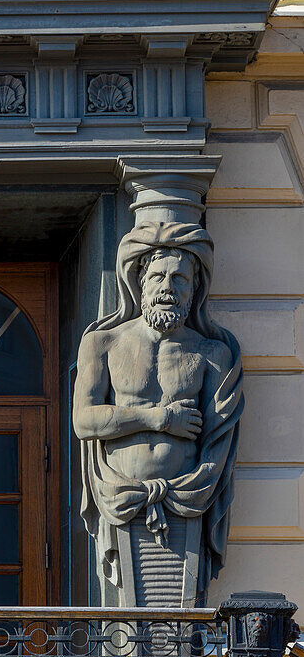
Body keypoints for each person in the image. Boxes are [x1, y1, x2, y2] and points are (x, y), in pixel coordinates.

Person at [72, 221, 243, 598]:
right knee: (136, 627)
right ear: (141, 282)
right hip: (119, 494)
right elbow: (84, 421)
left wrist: (202, 483)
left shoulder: (212, 353)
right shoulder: (103, 344)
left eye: (180, 279)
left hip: (188, 498)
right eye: (158, 276)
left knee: (174, 633)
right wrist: (160, 418)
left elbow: (219, 441)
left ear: (194, 287)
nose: (168, 287)